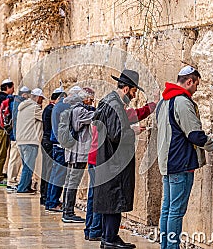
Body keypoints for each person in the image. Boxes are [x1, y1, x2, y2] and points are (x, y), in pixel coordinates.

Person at [157, 66, 213, 249]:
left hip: (168, 162)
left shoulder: (164, 100)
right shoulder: (182, 101)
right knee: (176, 212)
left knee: (167, 209)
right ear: (189, 81)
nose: (196, 89)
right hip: (180, 163)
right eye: (196, 85)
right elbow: (194, 134)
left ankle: (165, 246)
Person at [84, 92, 159, 241]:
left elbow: (135, 114)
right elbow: (134, 115)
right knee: (104, 196)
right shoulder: (115, 114)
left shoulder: (103, 112)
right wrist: (153, 105)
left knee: (95, 195)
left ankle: (92, 230)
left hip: (94, 157)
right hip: (102, 159)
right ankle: (97, 230)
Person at [92, 69, 147, 249]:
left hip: (109, 161)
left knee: (112, 201)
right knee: (114, 199)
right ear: (126, 89)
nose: (133, 95)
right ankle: (109, 238)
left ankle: (111, 237)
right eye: (133, 91)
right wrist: (134, 131)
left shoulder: (109, 102)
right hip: (114, 163)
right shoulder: (115, 105)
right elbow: (117, 134)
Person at [45, 85, 82, 212]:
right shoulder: (65, 106)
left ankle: (50, 201)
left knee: (55, 174)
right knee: (59, 176)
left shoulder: (58, 105)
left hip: (56, 144)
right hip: (61, 145)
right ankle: (53, 202)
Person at [62, 88, 96, 223]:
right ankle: (68, 212)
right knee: (73, 182)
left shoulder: (74, 108)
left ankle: (66, 210)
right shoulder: (80, 111)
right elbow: (95, 116)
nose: (92, 102)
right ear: (85, 99)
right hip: (78, 152)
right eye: (91, 100)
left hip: (72, 151)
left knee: (70, 181)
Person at [15, 88, 45, 194]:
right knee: (28, 167)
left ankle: (26, 186)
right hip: (30, 140)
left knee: (26, 166)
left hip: (22, 140)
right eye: (41, 98)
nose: (42, 101)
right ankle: (22, 188)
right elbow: (45, 117)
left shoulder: (23, 107)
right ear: (37, 97)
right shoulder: (34, 108)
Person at [40, 87, 64, 205]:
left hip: (46, 141)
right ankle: (47, 197)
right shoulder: (53, 109)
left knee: (48, 170)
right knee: (50, 171)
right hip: (50, 142)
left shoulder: (48, 109)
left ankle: (45, 197)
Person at [6, 86, 31, 193]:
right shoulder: (18, 104)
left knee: (16, 159)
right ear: (24, 94)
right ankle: (11, 182)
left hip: (17, 135)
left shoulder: (15, 103)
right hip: (17, 136)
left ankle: (12, 181)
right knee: (14, 159)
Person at [0, 78, 14, 186]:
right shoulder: (5, 99)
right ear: (8, 87)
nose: (13, 90)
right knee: (1, 154)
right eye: (12, 87)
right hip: (2, 130)